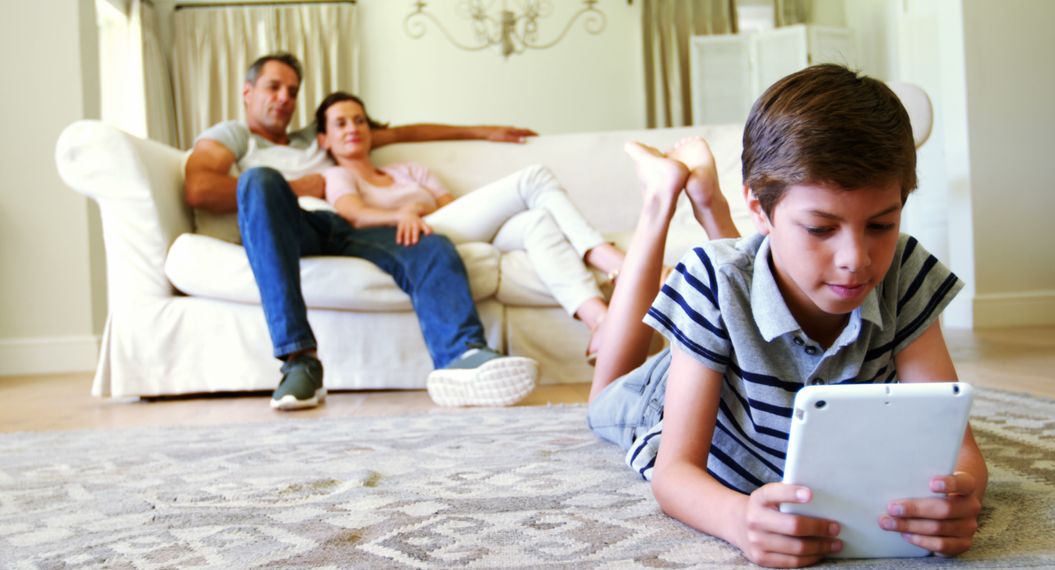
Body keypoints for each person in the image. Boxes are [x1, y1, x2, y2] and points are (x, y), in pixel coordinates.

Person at [586, 64, 987, 568]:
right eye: (821, 228)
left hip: (745, 312)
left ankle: (711, 203)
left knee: (746, 269)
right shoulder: (711, 279)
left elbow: (959, 447)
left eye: (881, 224)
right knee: (603, 394)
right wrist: (737, 520)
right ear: (759, 206)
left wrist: (959, 495)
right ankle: (662, 197)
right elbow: (675, 473)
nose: (855, 259)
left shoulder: (904, 269)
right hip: (661, 393)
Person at [184, 52, 541, 411]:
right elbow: (199, 189)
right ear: (248, 92)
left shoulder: (317, 136)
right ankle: (299, 361)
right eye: (273, 87)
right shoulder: (235, 136)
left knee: (427, 242)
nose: (284, 99)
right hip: (289, 230)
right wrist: (299, 187)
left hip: (344, 226)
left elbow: (404, 132)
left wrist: (481, 132)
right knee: (259, 180)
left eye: (292, 91)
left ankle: (463, 357)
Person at [314, 92, 626, 361]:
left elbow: (450, 207)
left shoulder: (408, 170)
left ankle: (599, 321)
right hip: (417, 241)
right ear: (323, 139)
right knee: (533, 178)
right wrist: (403, 213)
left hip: (450, 229)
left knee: (537, 222)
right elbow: (354, 213)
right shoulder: (338, 176)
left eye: (359, 120)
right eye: (340, 123)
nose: (353, 128)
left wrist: (419, 207)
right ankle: (614, 263)